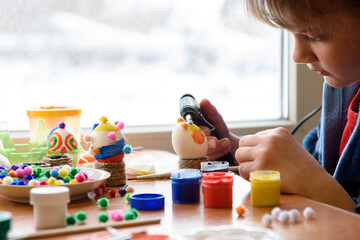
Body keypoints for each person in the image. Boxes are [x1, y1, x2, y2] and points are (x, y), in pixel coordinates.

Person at [200, 0, 360, 213]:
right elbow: (316, 168)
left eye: (314, 36)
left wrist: (313, 183)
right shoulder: (345, 92)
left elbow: (318, 182)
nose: (297, 56)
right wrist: (233, 149)